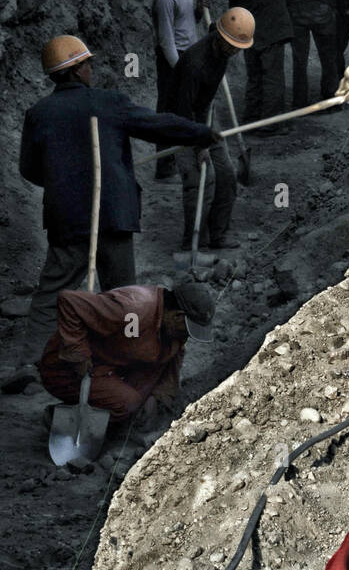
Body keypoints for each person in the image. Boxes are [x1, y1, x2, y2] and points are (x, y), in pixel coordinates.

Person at [20, 36, 218, 355]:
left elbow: (29, 170)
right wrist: (201, 133)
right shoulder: (109, 102)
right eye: (86, 64)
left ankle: (31, 363)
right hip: (113, 214)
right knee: (122, 293)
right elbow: (157, 126)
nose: (90, 69)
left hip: (66, 219)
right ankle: (125, 355)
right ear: (75, 70)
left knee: (51, 294)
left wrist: (64, 184)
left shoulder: (38, 113)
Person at [38, 279, 215, 423]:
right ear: (177, 316)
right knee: (128, 404)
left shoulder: (172, 333)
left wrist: (158, 396)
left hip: (111, 366)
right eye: (187, 330)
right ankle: (63, 417)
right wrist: (78, 355)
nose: (186, 337)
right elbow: (69, 301)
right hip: (67, 370)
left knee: (144, 394)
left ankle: (116, 413)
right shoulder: (133, 308)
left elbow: (172, 362)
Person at [164, 8, 254, 251]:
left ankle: (218, 236)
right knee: (200, 180)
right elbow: (183, 109)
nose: (234, 51)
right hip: (179, 121)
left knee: (225, 175)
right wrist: (199, 146)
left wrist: (206, 134)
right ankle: (193, 242)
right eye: (231, 45)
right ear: (220, 39)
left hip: (203, 115)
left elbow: (203, 104)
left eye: (238, 47)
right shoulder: (196, 63)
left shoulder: (222, 50)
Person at [225, 0, 294, 128]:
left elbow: (234, 9)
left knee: (254, 77)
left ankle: (251, 119)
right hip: (272, 31)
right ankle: (272, 124)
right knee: (272, 77)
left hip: (249, 34)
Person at [151, 0, 203, 180]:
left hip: (186, 56)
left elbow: (185, 25)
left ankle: (183, 159)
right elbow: (166, 38)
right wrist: (179, 67)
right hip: (173, 59)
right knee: (168, 111)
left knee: (185, 108)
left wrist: (197, 15)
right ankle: (164, 166)